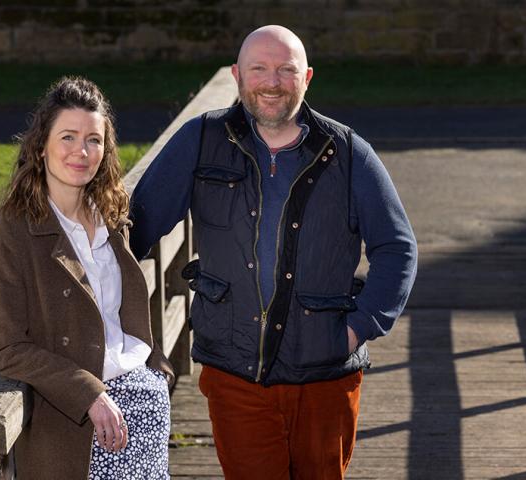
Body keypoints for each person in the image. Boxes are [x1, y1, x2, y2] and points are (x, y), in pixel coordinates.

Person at [129, 25, 418, 479]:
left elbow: (398, 248)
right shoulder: (200, 141)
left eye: (286, 69)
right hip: (234, 373)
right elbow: (132, 231)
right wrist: (121, 331)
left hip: (324, 376)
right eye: (259, 68)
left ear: (307, 77)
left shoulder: (346, 152)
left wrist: (358, 328)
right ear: (237, 75)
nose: (272, 81)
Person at [0, 76, 175, 480]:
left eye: (94, 140)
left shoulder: (112, 215)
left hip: (145, 405)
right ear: (41, 144)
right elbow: (7, 348)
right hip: (78, 423)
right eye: (68, 137)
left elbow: (119, 314)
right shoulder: (11, 233)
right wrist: (89, 393)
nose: (81, 152)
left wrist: (156, 368)